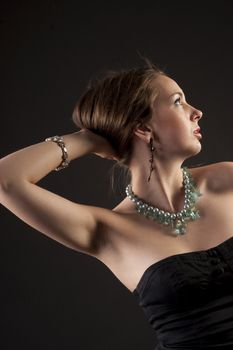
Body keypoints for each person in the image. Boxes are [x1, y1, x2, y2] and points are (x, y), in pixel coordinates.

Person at [1, 58, 233, 349]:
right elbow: (6, 180)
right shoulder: (108, 231)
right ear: (142, 127)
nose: (197, 112)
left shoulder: (227, 179)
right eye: (178, 102)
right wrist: (87, 139)